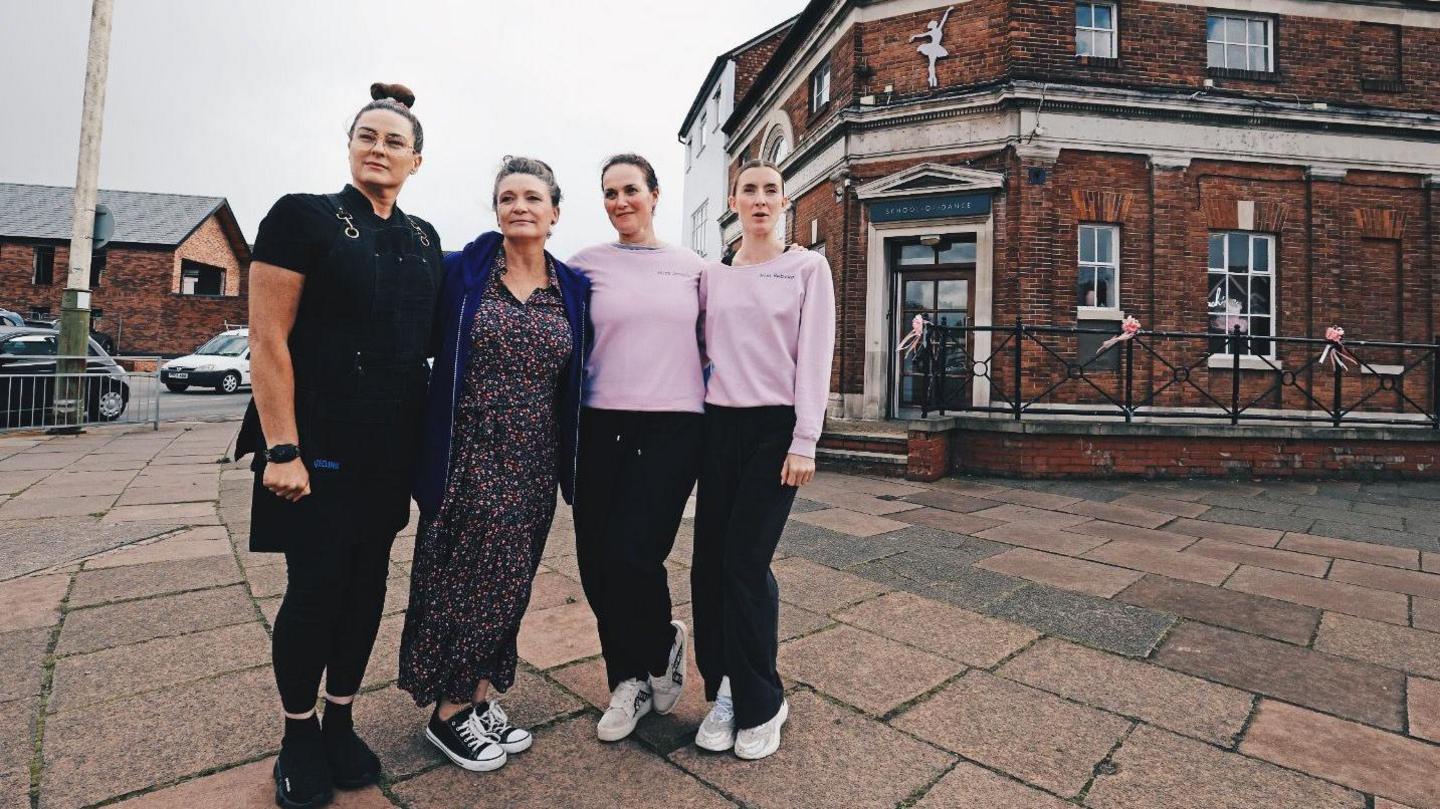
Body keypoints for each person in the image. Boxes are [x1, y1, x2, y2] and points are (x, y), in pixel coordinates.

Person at [237, 82, 443, 809]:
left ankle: (342, 720)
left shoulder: (424, 240)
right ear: (350, 145)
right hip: (315, 446)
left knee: (366, 590)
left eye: (394, 141)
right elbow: (267, 340)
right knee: (317, 586)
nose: (379, 149)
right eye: (367, 136)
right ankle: (298, 732)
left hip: (389, 448)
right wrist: (281, 446)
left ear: (416, 160)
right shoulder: (303, 217)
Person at [400, 156, 591, 772]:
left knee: (511, 580)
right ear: (496, 209)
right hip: (468, 452)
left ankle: (480, 695)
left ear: (555, 213)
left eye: (533, 197)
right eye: (508, 196)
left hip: (535, 457)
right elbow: (412, 341)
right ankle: (449, 710)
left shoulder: (571, 288)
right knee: (464, 579)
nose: (520, 206)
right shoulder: (463, 272)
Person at [691, 159, 835, 760]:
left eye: (770, 190)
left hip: (774, 432)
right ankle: (722, 686)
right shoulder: (712, 275)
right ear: (733, 201)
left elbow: (816, 354)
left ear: (783, 200)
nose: (759, 199)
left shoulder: (807, 268)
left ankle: (762, 700)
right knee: (708, 566)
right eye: (748, 190)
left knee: (745, 565)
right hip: (718, 427)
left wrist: (805, 439)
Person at [566, 154, 703, 742]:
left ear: (654, 194)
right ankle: (627, 681)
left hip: (674, 426)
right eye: (609, 193)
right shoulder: (581, 266)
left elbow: (723, 340)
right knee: (596, 560)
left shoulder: (693, 268)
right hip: (600, 424)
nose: (620, 201)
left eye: (630, 190)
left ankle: (659, 645)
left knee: (634, 552)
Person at [911, 6, 954, 88]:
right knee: (931, 64)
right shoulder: (935, 31)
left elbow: (944, 20)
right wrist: (914, 36)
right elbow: (922, 35)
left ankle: (932, 78)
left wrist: (948, 11)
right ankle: (932, 78)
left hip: (934, 47)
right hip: (934, 47)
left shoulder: (937, 30)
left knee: (931, 64)